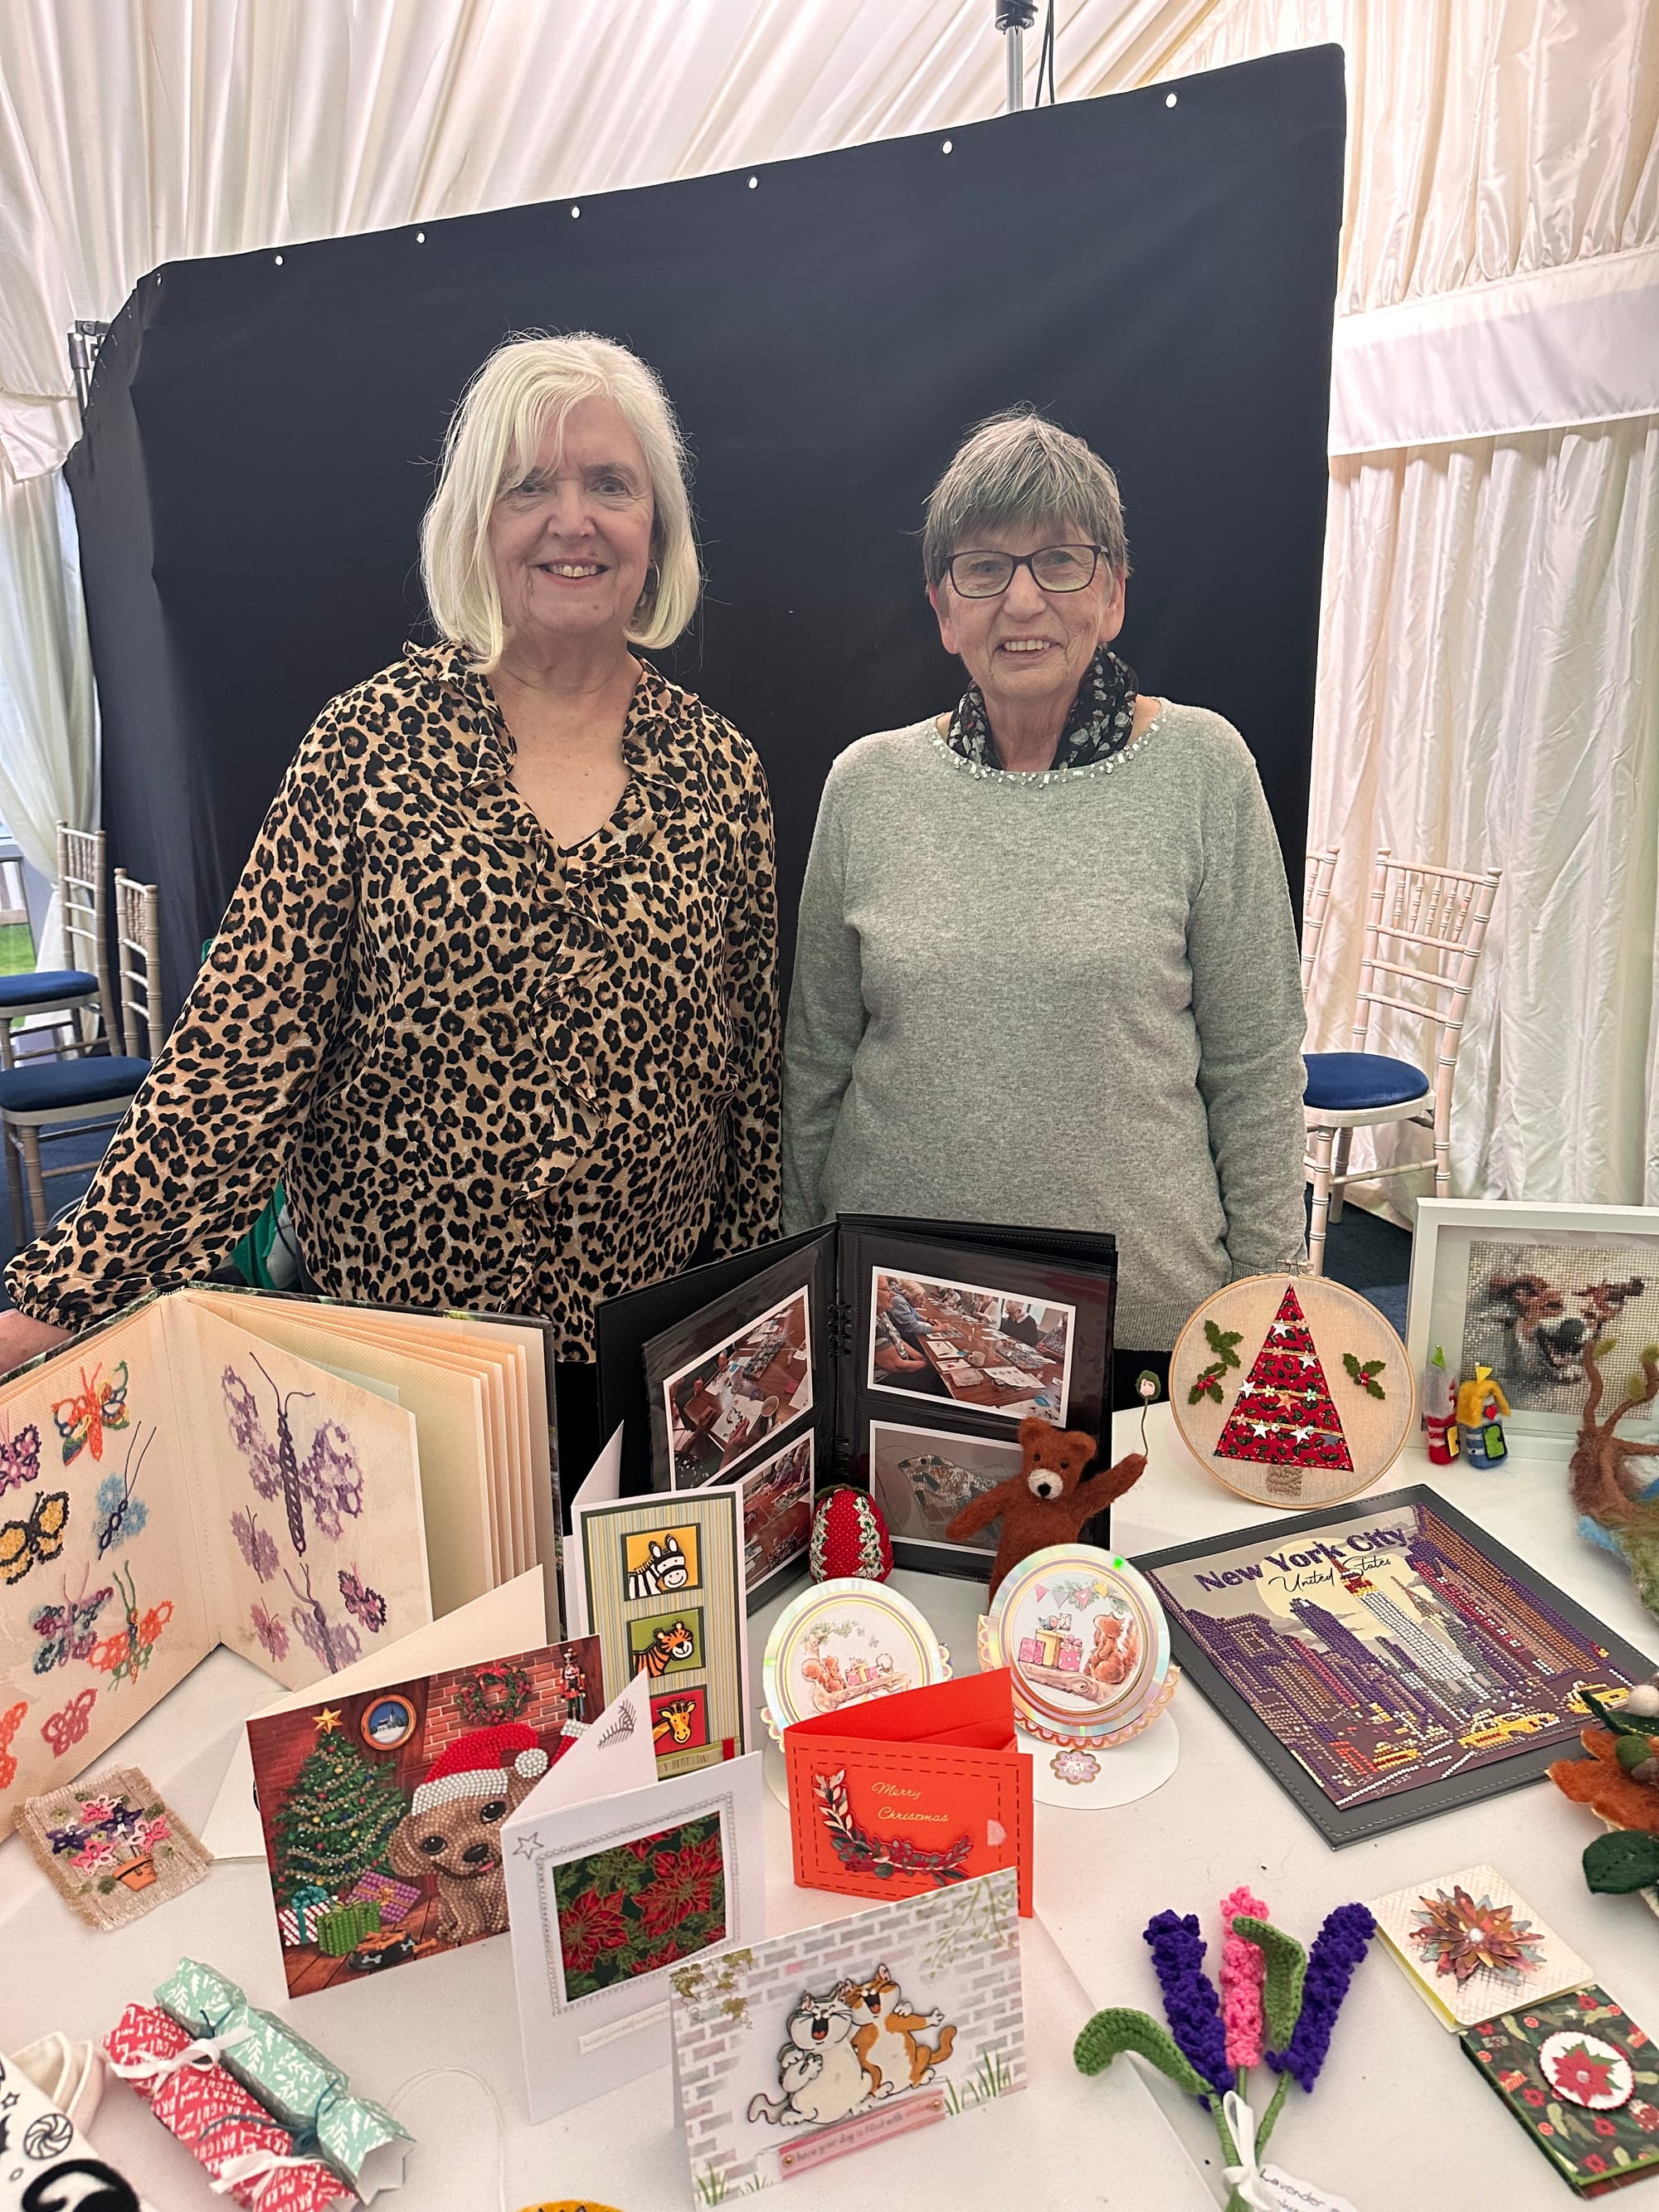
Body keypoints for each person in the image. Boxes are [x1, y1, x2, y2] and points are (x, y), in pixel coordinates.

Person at [2, 333, 780, 1373]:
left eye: (609, 483)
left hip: (642, 1356)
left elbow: (748, 1094)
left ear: (657, 524)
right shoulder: (366, 747)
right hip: (403, 1361)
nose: (573, 520)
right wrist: (58, 1300)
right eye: (527, 486)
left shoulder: (720, 772)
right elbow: (234, 1058)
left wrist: (742, 1332)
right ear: (474, 521)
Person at [781, 409, 1306, 1401]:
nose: (1021, 599)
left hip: (1145, 1334)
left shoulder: (1202, 768)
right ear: (943, 610)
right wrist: (802, 1288)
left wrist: (1268, 1310)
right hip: (895, 1330)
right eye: (983, 568)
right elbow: (814, 1067)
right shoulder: (866, 786)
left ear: (1111, 594)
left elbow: (1254, 1068)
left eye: (1059, 561)